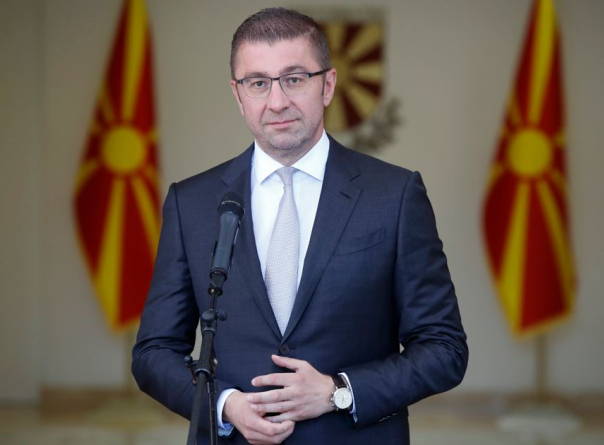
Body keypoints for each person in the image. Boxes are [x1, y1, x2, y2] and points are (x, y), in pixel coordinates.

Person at [132, 7, 468, 445]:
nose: (277, 102)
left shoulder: (395, 195)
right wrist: (223, 405)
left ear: (327, 85)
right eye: (258, 83)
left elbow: (444, 348)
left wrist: (338, 392)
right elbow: (153, 352)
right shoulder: (191, 203)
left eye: (294, 79)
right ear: (238, 95)